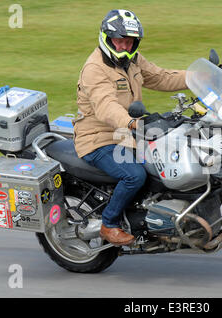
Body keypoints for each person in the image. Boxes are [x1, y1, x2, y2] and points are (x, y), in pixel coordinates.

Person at [73, 9, 188, 246]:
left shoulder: (132, 60)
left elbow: (161, 77)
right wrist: (132, 122)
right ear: (107, 39)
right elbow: (106, 107)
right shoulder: (94, 69)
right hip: (99, 138)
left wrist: (200, 78)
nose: (124, 46)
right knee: (134, 175)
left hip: (127, 133)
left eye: (129, 41)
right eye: (119, 41)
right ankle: (109, 224)